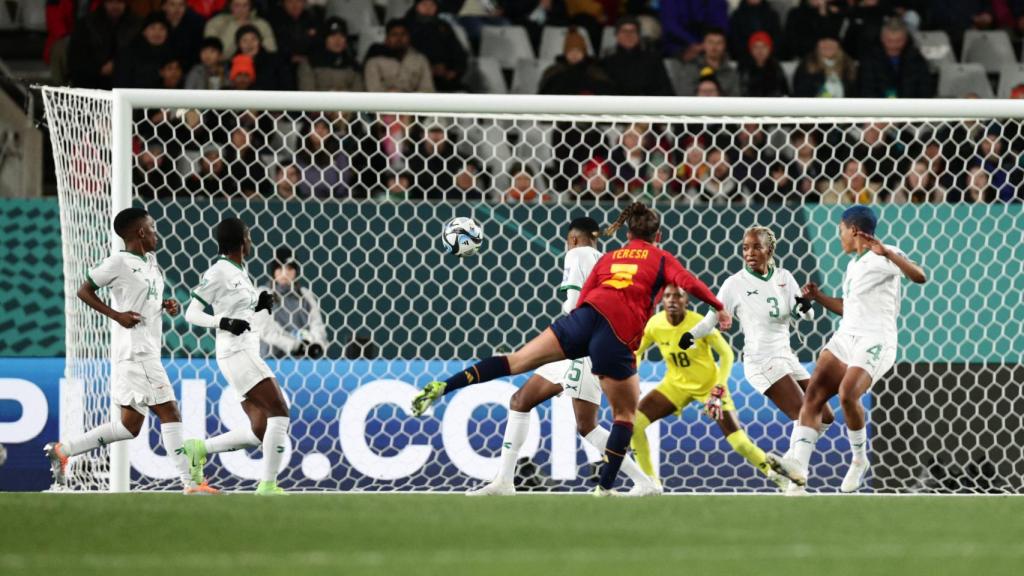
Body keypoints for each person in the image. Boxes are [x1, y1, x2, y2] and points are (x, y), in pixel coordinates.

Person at [411, 202, 732, 495]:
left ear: (575, 240)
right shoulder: (624, 257)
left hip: (580, 338)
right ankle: (509, 481)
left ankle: (631, 482)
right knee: (552, 412)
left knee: (526, 386)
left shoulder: (586, 256)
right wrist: (717, 307)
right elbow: (685, 282)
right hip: (600, 338)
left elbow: (578, 301)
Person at [468, 217, 660, 496]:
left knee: (587, 427)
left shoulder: (577, 254)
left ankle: (643, 481)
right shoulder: (605, 259)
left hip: (581, 347)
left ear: (573, 239)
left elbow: (572, 304)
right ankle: (505, 481)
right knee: (521, 401)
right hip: (588, 345)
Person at [43, 208, 217, 495]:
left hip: (143, 351)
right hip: (138, 353)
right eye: (152, 228)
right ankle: (192, 483)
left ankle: (64, 450)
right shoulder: (118, 262)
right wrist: (117, 315)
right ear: (140, 232)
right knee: (170, 412)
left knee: (129, 427)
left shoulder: (150, 262)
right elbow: (84, 291)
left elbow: (144, 299)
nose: (155, 234)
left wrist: (165, 305)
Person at [784, 206, 927, 494]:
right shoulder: (853, 265)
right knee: (812, 394)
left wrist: (888, 253)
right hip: (846, 336)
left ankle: (859, 460)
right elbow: (848, 309)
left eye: (840, 230)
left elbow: (920, 276)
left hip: (876, 340)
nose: (839, 237)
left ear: (853, 230)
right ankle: (797, 476)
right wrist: (819, 297)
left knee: (849, 393)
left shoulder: (883, 255)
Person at [685, 227, 836, 477]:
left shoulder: (785, 277)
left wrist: (804, 306)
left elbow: (807, 314)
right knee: (805, 415)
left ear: (770, 249)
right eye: (746, 247)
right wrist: (690, 335)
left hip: (786, 357)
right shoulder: (734, 284)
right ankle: (795, 470)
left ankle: (787, 465)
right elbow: (711, 317)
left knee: (826, 417)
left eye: (756, 247)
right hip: (760, 361)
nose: (750, 253)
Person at [631, 285, 803, 490]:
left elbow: (726, 354)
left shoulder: (699, 324)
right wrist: (633, 375)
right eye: (667, 296)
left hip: (709, 388)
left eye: (678, 296)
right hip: (675, 385)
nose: (672, 300)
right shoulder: (655, 324)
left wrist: (719, 388)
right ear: (662, 301)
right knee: (634, 424)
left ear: (687, 301)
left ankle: (776, 475)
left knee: (739, 442)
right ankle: (649, 482)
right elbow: (637, 351)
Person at [182, 217, 292, 495]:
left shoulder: (241, 273)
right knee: (279, 410)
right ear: (242, 240)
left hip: (245, 350)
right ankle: (268, 485)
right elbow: (191, 313)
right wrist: (222, 322)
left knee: (260, 428)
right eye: (249, 236)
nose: (251, 241)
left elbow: (247, 321)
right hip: (235, 352)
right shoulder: (218, 272)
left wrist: (263, 308)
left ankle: (200, 449)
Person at [259, 250, 328, 359]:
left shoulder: (305, 294)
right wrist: (295, 346)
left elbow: (317, 324)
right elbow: (266, 330)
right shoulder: (263, 293)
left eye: (289, 268)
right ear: (273, 271)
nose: (284, 273)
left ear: (295, 271)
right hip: (269, 361)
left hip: (301, 362)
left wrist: (317, 344)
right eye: (280, 268)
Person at [68, 0, 142, 89]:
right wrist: (98, 69)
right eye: (111, 2)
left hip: (126, 82)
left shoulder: (136, 25)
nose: (115, 6)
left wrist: (118, 64)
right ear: (104, 3)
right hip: (91, 82)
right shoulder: (87, 24)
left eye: (119, 2)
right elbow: (77, 58)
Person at [858, 17, 934, 98]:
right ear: (882, 38)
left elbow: (925, 89)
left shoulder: (916, 58)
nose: (893, 46)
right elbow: (866, 90)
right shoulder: (869, 59)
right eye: (889, 41)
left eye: (898, 41)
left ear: (906, 39)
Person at [600, 16, 674, 96]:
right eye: (624, 31)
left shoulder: (653, 60)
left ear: (639, 36)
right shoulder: (606, 63)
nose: (628, 35)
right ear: (617, 35)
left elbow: (665, 90)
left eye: (633, 31)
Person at [406, 0, 468, 92]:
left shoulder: (443, 27)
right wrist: (428, 68)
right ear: (416, 6)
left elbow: (457, 51)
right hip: (414, 77)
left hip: (444, 78)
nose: (428, 8)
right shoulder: (405, 26)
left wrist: (454, 70)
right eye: (424, 4)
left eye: (432, 4)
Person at [364, 19, 435, 93]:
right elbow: (373, 91)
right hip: (384, 103)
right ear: (386, 39)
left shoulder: (420, 60)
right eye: (394, 35)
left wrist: (406, 97)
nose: (399, 39)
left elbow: (428, 89)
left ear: (409, 37)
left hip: (413, 103)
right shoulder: (374, 61)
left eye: (403, 34)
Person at [297, 17, 364, 92]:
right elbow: (307, 95)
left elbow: (358, 96)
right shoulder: (310, 63)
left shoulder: (353, 65)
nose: (337, 40)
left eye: (342, 36)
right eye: (333, 35)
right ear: (324, 38)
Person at [538, 29, 613, 95]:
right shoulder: (554, 72)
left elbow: (606, 93)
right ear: (565, 53)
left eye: (578, 51)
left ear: (584, 53)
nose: (574, 54)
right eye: (570, 51)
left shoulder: (595, 71)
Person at [114, 12, 173, 88]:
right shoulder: (128, 53)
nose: (157, 33)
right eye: (152, 28)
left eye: (162, 28)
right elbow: (121, 84)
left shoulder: (171, 53)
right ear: (144, 31)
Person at [678, 28, 740, 96]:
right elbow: (684, 95)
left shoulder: (731, 72)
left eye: (719, 43)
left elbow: (735, 97)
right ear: (703, 44)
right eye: (710, 42)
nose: (714, 47)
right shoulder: (691, 68)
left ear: (725, 46)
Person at [204, 0, 277, 56]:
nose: (241, 10)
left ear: (251, 7)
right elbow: (210, 54)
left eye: (245, 5)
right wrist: (236, 26)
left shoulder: (262, 24)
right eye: (237, 5)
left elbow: (271, 51)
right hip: (224, 68)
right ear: (230, 6)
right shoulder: (217, 23)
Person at [660, 0, 728, 60]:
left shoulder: (717, 2)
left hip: (709, 45)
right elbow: (670, 26)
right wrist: (694, 43)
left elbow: (721, 26)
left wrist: (705, 45)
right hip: (679, 46)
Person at [793, 35, 857, 98]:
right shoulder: (807, 66)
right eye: (824, 41)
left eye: (832, 41)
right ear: (817, 45)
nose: (828, 45)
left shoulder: (848, 66)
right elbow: (801, 94)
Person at [234, 24, 295, 90]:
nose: (249, 44)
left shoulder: (275, 61)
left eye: (253, 39)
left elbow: (287, 86)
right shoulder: (233, 63)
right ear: (239, 44)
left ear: (259, 42)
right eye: (244, 40)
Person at [781, 0, 846, 60]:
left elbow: (831, 38)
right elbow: (790, 38)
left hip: (826, 57)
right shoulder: (795, 13)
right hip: (801, 57)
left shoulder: (831, 13)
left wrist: (823, 14)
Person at [739, 30, 788, 97]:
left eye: (764, 46)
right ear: (750, 50)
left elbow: (784, 92)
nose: (760, 51)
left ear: (770, 49)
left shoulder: (776, 68)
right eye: (756, 47)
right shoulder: (743, 68)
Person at [162, 0, 205, 68]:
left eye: (181, 5)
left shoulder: (195, 25)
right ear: (164, 6)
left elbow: (197, 55)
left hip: (188, 68)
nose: (177, 9)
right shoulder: (156, 23)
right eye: (172, 4)